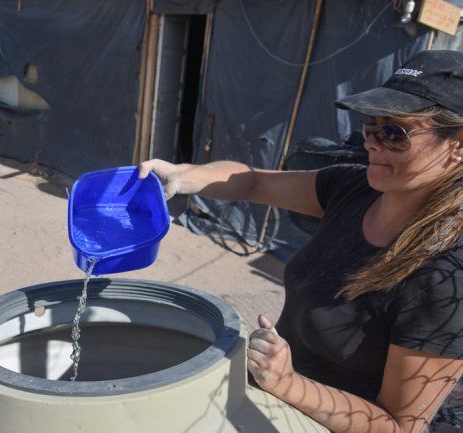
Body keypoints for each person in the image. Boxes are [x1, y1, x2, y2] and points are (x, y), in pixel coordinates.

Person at [139, 50, 463, 433]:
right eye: (371, 128)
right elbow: (254, 181)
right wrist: (182, 174)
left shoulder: (446, 275)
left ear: (457, 146)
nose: (373, 143)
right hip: (271, 397)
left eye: (395, 133)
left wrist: (290, 384)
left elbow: (399, 426)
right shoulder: (354, 188)